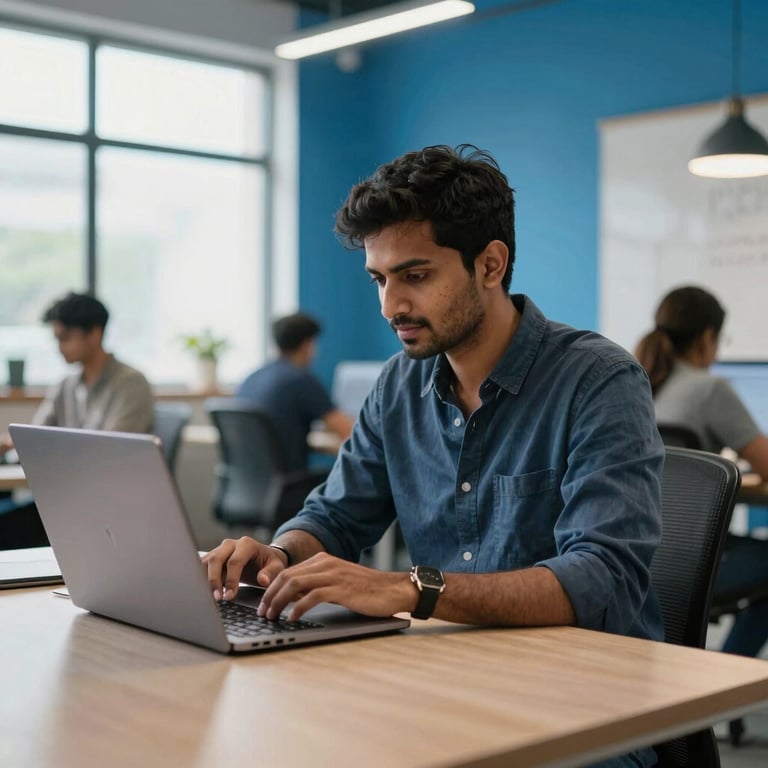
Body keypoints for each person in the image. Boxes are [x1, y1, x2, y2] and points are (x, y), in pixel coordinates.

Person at [206, 145, 664, 768]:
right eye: (380, 279)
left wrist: (409, 589)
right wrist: (281, 553)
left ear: (490, 265)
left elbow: (603, 578)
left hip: (583, 708)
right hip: (443, 681)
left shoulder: (598, 380)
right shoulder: (399, 385)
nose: (391, 305)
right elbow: (337, 518)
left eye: (415, 276)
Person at [635, 285, 768, 742]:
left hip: (634, 558)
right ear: (708, 337)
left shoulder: (637, 381)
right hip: (690, 560)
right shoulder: (709, 389)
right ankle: (721, 688)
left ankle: (713, 689)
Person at [235, 312, 354, 473]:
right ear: (307, 345)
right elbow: (349, 431)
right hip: (285, 487)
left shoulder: (251, 378)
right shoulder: (300, 380)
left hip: (249, 484)